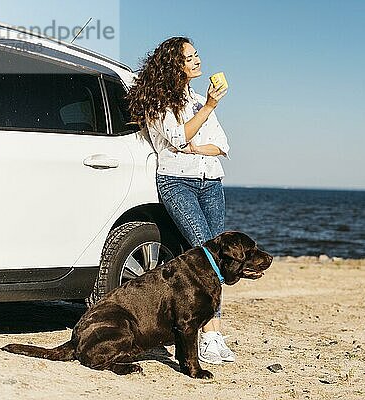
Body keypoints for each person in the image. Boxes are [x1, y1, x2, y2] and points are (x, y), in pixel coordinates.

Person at [127, 37, 233, 365]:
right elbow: (176, 138)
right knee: (207, 255)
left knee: (217, 258)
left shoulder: (198, 100)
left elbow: (222, 145)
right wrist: (210, 109)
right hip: (177, 183)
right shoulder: (159, 102)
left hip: (211, 183)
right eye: (191, 57)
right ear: (175, 65)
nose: (198, 60)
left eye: (197, 54)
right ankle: (210, 336)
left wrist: (197, 145)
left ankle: (209, 333)